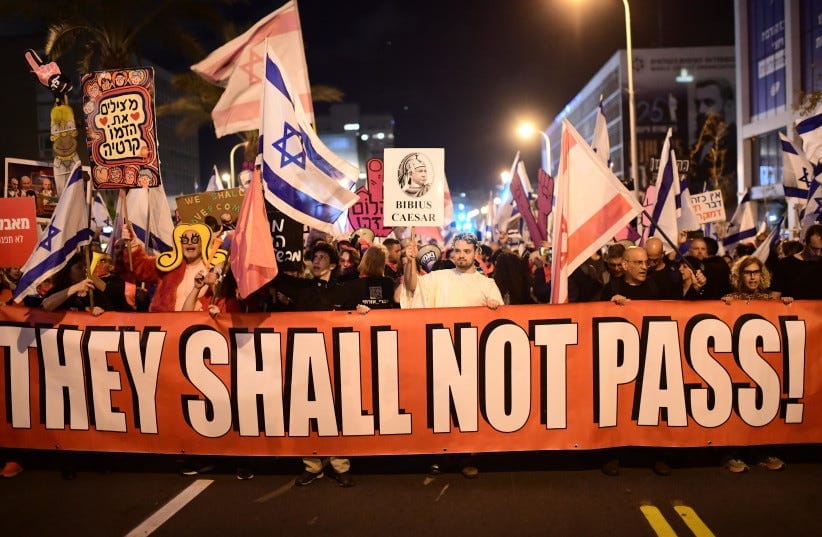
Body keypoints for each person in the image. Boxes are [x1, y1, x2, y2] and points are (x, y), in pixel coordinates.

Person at [401, 231, 503, 478]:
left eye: (466, 251)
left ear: (476, 253)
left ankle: (468, 455)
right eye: (457, 250)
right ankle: (441, 455)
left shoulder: (487, 284)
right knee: (442, 409)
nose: (461, 255)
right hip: (441, 355)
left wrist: (493, 309)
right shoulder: (438, 277)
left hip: (473, 359)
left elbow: (500, 319)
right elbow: (412, 287)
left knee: (468, 410)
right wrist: (409, 261)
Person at [273, 242, 353, 487]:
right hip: (304, 358)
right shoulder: (303, 288)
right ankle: (312, 464)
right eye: (314, 257)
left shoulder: (344, 290)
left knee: (336, 412)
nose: (316, 262)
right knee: (306, 413)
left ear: (332, 264)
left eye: (321, 258)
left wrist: (362, 312)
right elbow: (274, 278)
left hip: (335, 359)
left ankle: (340, 464)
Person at [719, 255, 791, 472]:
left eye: (756, 272)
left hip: (763, 364)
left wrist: (786, 306)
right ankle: (733, 454)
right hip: (736, 363)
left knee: (763, 406)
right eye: (748, 272)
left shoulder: (770, 301)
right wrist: (724, 306)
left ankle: (763, 452)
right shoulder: (731, 298)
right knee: (737, 406)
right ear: (740, 275)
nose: (752, 277)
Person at [123, 223, 227, 313]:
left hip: (200, 329)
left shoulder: (216, 267)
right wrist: (132, 244)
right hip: (168, 327)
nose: (189, 243)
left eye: (194, 239)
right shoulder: (169, 266)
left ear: (202, 243)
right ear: (180, 244)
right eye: (185, 240)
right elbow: (140, 269)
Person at [342, 244, 398, 311]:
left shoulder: (351, 284)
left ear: (365, 260)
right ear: (383, 263)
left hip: (360, 320)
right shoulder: (389, 283)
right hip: (384, 320)